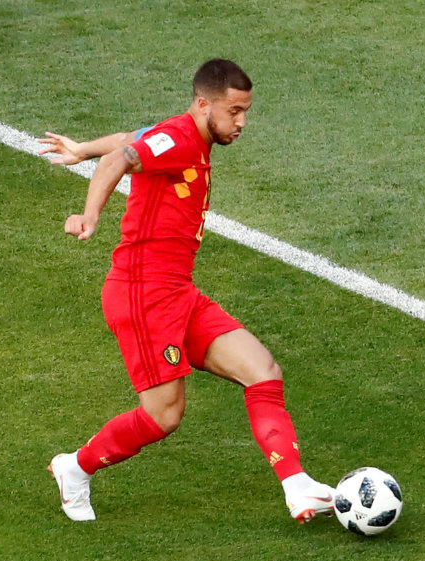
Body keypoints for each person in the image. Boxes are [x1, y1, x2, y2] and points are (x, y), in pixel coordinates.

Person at [39, 59, 335, 524]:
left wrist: (81, 149)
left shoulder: (179, 135)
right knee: (163, 416)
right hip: (142, 295)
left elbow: (129, 139)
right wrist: (90, 214)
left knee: (262, 372)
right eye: (234, 111)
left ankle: (297, 488)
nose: (242, 122)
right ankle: (74, 468)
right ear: (203, 104)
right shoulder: (179, 138)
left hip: (177, 292)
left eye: (246, 111)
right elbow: (120, 160)